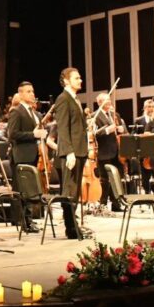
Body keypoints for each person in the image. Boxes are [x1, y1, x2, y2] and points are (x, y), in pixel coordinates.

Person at [6, 81, 48, 233]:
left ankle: (29, 219)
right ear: (21, 94)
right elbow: (12, 134)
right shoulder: (16, 111)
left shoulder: (34, 113)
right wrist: (33, 134)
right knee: (23, 190)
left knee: (30, 188)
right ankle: (24, 221)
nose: (32, 94)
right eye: (29, 91)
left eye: (33, 91)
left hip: (33, 153)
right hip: (21, 155)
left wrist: (41, 133)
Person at [54, 67, 87, 239]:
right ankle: (71, 228)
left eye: (80, 78)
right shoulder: (63, 99)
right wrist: (69, 152)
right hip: (71, 152)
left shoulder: (75, 99)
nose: (80, 80)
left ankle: (73, 227)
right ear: (66, 81)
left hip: (79, 150)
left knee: (75, 192)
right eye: (76, 78)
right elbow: (62, 128)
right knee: (69, 191)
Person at [93, 92, 125, 211]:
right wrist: (107, 130)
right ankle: (103, 204)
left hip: (116, 151)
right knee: (105, 180)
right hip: (104, 151)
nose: (109, 102)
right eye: (106, 100)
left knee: (116, 178)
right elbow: (94, 134)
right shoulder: (95, 116)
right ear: (100, 102)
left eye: (109, 99)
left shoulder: (114, 114)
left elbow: (120, 129)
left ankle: (116, 204)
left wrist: (121, 129)